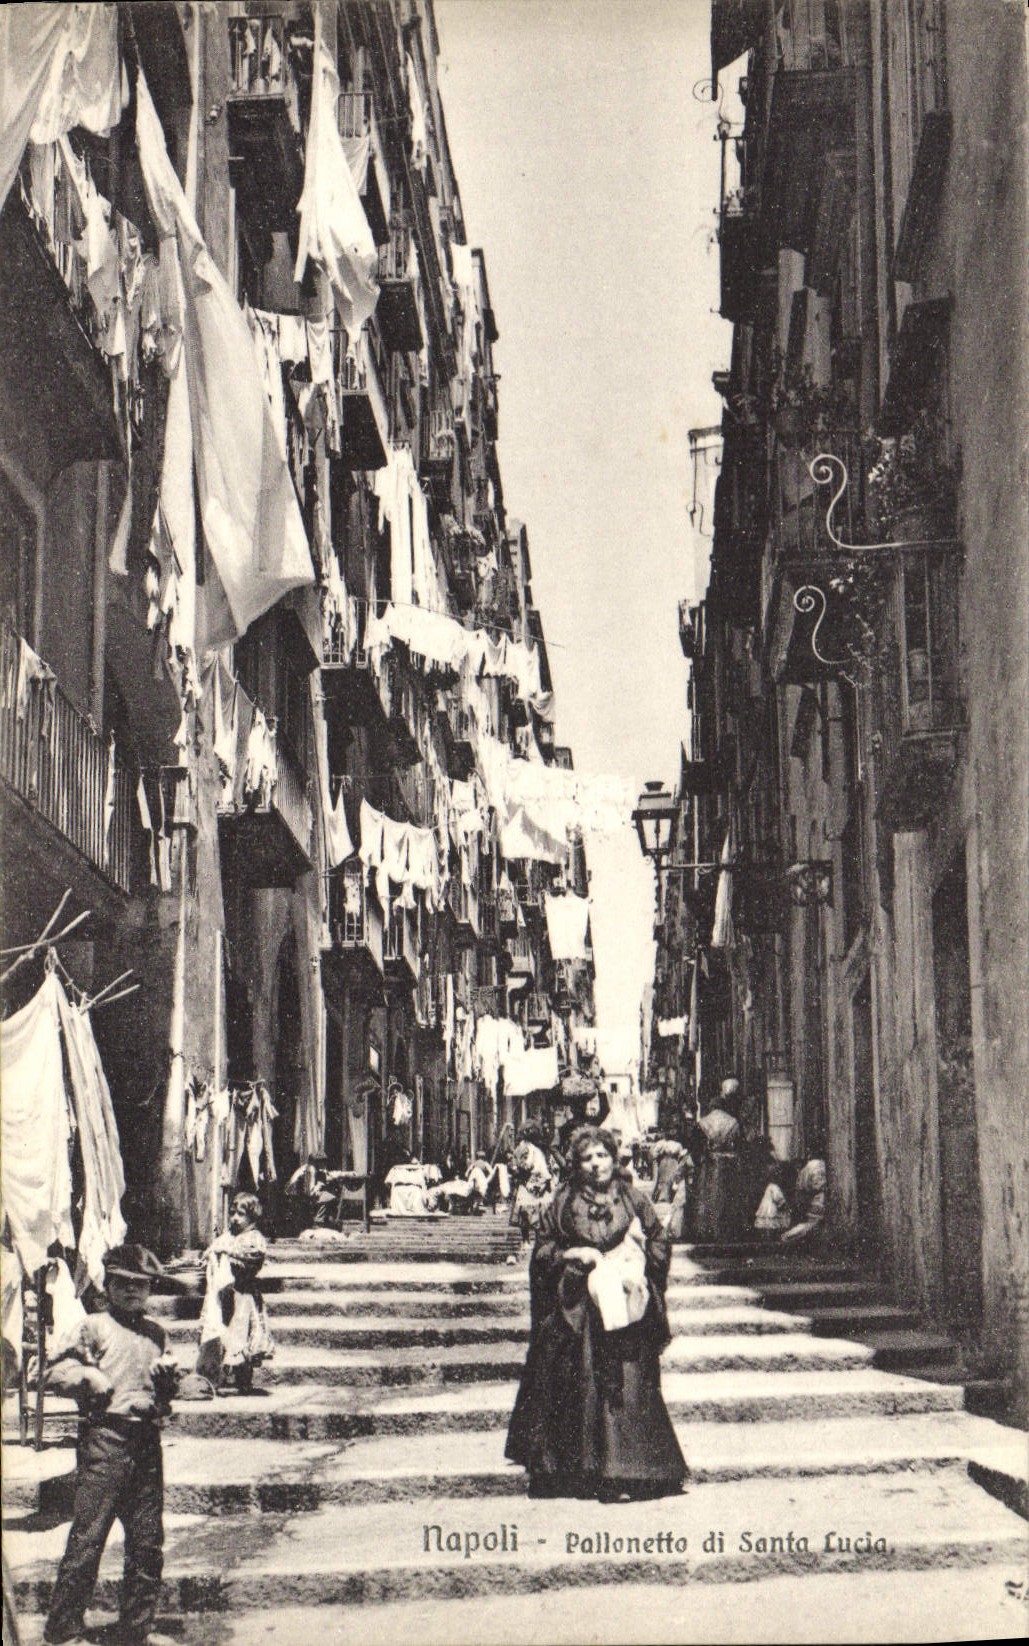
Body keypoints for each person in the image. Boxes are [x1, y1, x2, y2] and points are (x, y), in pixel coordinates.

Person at [505, 1126, 687, 1503]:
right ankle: (578, 1471)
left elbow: (658, 1239)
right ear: (577, 1164)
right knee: (578, 1379)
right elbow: (543, 1250)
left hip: (623, 1307)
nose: (595, 1164)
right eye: (587, 1158)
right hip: (579, 1308)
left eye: (601, 1156)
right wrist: (574, 1256)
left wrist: (638, 1264)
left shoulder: (633, 1197)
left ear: (613, 1157)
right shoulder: (563, 1200)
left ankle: (634, 1470)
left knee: (628, 1381)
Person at [42, 1244, 180, 1646]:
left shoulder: (156, 1333)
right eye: (124, 1285)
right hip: (105, 1441)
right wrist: (86, 1375)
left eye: (142, 1286)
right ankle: (63, 1629)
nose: (133, 1293)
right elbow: (52, 1372)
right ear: (109, 1286)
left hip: (146, 1442)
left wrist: (170, 1379)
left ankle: (134, 1629)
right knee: (88, 1537)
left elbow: (171, 1389)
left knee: (147, 1542)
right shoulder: (93, 1326)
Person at [195, 1193, 273, 1395]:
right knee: (224, 1333)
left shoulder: (254, 1238)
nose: (235, 1219)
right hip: (225, 1295)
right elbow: (214, 1249)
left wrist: (227, 1252)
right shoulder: (228, 1236)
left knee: (242, 1334)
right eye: (233, 1214)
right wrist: (209, 1255)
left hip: (244, 1294)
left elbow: (253, 1256)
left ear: (252, 1217)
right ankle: (221, 1377)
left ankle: (243, 1380)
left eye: (241, 1215)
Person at [686, 1079, 744, 1242]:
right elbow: (739, 1145)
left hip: (710, 1164)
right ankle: (727, 1231)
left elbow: (695, 1148)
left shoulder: (704, 1123)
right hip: (729, 1165)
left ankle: (708, 1230)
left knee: (709, 1196)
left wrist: (699, 1162)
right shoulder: (733, 1122)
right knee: (728, 1197)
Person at [509, 1124, 555, 1244]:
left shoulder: (529, 1148)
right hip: (539, 1182)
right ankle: (532, 1240)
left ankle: (527, 1240)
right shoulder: (535, 1149)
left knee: (527, 1212)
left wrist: (517, 1169)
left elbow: (526, 1166)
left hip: (533, 1182)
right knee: (533, 1213)